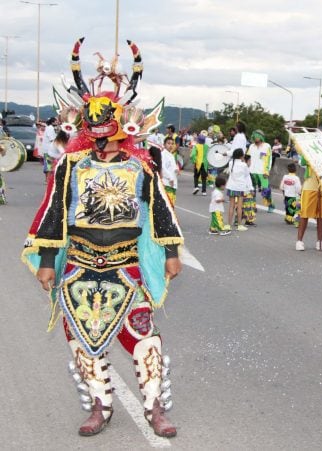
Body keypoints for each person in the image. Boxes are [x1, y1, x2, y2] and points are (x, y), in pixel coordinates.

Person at [21, 38, 181, 438]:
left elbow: (159, 209)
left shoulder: (140, 167)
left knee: (144, 336)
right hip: (79, 265)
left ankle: (154, 407)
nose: (99, 137)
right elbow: (54, 213)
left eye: (105, 130)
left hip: (126, 264)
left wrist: (172, 253)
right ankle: (100, 405)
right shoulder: (70, 166)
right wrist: (45, 262)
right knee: (81, 339)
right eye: (93, 130)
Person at [295, 156, 322, 250]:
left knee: (321, 217)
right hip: (309, 187)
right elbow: (302, 162)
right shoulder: (308, 150)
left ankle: (320, 241)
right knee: (304, 214)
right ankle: (299, 241)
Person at [225, 148, 252, 231]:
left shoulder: (230, 163)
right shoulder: (244, 165)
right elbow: (247, 174)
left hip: (231, 186)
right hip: (240, 187)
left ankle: (228, 224)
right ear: (242, 155)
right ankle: (239, 225)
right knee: (239, 207)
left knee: (231, 206)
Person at [246, 130, 274, 210]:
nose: (255, 138)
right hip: (252, 171)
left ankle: (270, 205)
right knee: (252, 190)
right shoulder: (251, 146)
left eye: (257, 136)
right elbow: (248, 158)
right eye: (254, 136)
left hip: (262, 171)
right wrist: (247, 169)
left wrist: (267, 171)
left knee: (266, 190)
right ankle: (253, 205)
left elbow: (269, 159)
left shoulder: (267, 146)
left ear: (261, 137)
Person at [160, 136, 180, 206]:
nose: (170, 145)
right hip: (167, 182)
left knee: (172, 202)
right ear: (164, 144)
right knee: (168, 203)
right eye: (168, 143)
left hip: (173, 182)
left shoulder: (171, 155)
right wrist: (170, 178)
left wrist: (176, 169)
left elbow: (173, 166)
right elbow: (162, 168)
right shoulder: (162, 154)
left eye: (172, 144)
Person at [241, 153, 257, 225]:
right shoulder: (246, 169)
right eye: (250, 161)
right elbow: (248, 181)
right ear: (246, 161)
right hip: (247, 191)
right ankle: (249, 220)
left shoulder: (239, 168)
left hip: (240, 190)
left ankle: (237, 220)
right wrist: (251, 190)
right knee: (249, 206)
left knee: (240, 206)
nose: (250, 162)